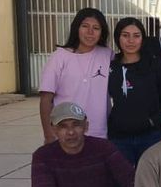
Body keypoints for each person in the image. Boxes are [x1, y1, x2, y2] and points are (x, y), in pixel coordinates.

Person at [38, 8, 112, 142]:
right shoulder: (59, 57)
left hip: (100, 134)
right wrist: (49, 135)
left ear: (102, 32)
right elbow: (46, 99)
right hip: (66, 135)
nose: (90, 32)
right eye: (85, 26)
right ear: (76, 28)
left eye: (96, 28)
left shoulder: (108, 55)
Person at [107, 17, 161, 165]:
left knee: (150, 180)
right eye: (125, 35)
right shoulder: (111, 66)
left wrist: (153, 121)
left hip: (149, 135)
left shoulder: (154, 64)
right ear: (118, 37)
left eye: (136, 36)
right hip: (119, 137)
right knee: (123, 182)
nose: (131, 41)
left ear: (142, 38)